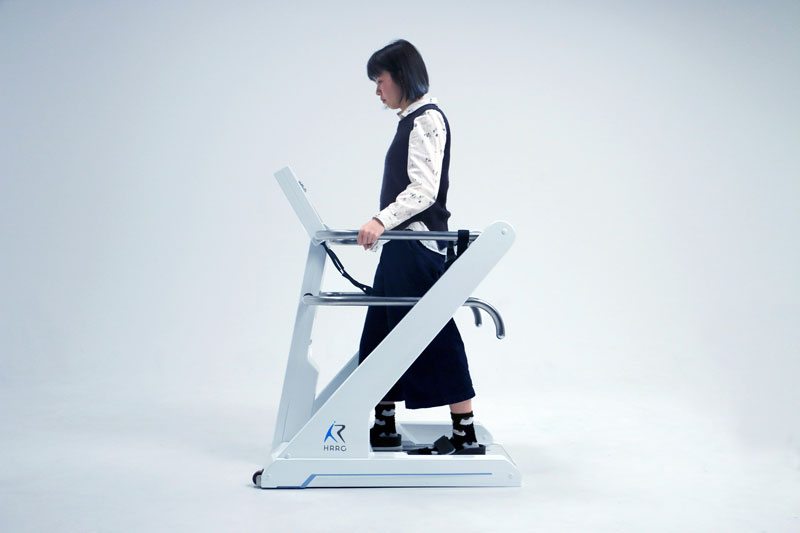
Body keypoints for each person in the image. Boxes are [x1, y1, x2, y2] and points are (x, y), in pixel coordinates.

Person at [357, 39, 485, 455]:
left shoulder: (426, 119)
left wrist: (381, 220)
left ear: (401, 75)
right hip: (402, 244)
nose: (378, 91)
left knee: (431, 331)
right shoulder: (410, 120)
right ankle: (384, 424)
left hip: (414, 243)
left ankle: (464, 431)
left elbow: (424, 191)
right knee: (381, 331)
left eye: (380, 80)